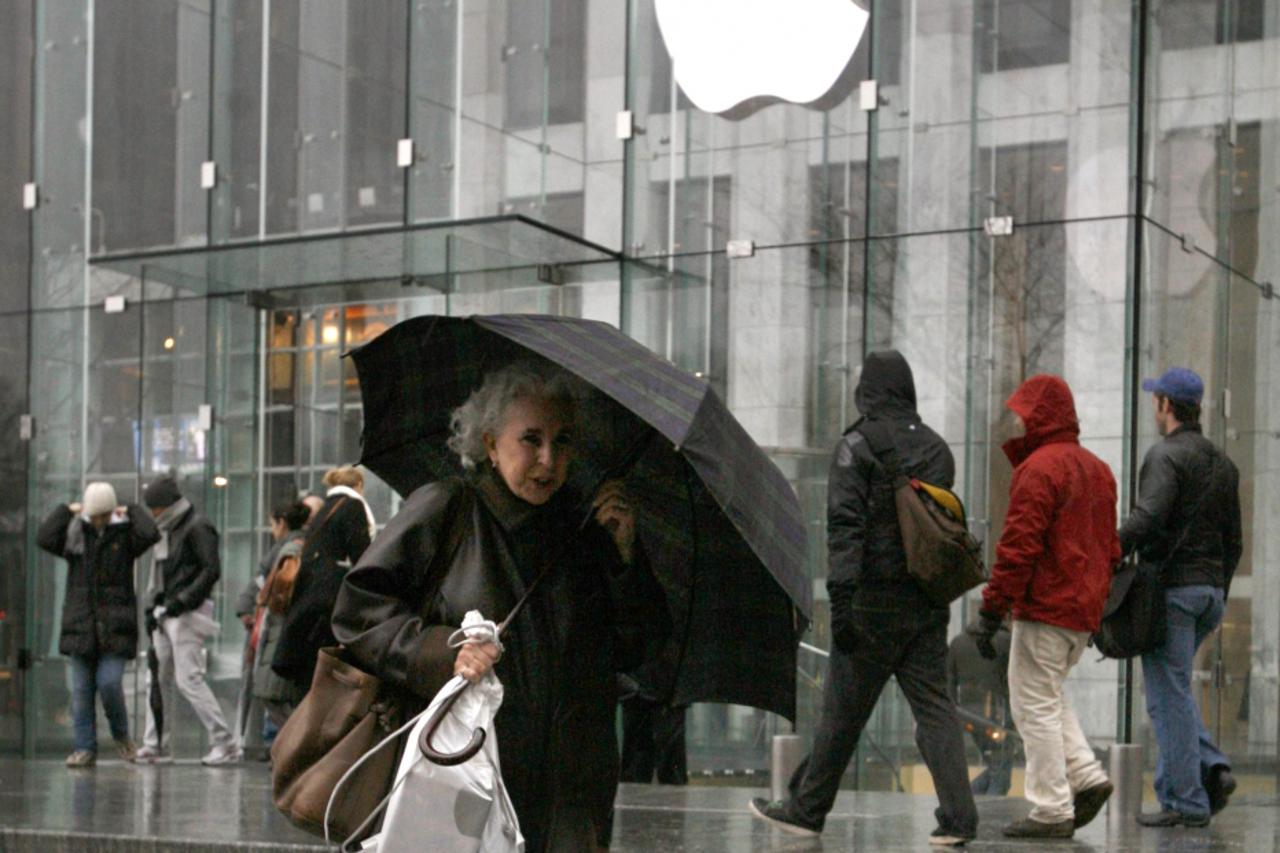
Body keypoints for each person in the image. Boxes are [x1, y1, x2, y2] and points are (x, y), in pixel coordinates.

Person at [331, 361, 669, 852]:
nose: (548, 460)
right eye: (530, 440)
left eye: (563, 440)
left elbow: (638, 649)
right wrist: (442, 652)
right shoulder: (447, 509)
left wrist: (624, 561)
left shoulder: (588, 534)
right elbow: (359, 608)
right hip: (467, 778)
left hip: (574, 797)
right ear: (489, 443)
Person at [749, 350, 979, 847]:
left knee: (843, 713)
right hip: (925, 603)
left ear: (868, 391)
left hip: (872, 603)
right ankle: (959, 819)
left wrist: (842, 601)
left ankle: (807, 809)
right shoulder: (939, 449)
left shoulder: (857, 445)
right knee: (936, 710)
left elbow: (845, 529)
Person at [972, 375, 1118, 839]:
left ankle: (1052, 808)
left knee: (1032, 704)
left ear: (1040, 417)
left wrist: (991, 608)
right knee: (1048, 696)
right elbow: (1109, 549)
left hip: (1047, 607)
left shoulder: (1039, 470)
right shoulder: (1098, 469)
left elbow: (1018, 547)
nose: (1017, 422)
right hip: (1081, 611)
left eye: (1023, 414)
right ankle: (1087, 777)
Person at [1120, 367, 1242, 827]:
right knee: (1176, 691)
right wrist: (1217, 590)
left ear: (1166, 406)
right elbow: (1235, 543)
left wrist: (1109, 550)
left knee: (1166, 697)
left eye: (1156, 400)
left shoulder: (1165, 456)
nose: (1154, 407)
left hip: (1173, 593)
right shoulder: (1223, 464)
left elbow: (1147, 518)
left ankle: (1185, 802)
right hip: (1209, 594)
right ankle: (1210, 765)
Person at [37, 483, 159, 767]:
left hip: (115, 628)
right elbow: (44, 537)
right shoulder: (75, 536)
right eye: (94, 515)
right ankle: (85, 748)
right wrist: (66, 510)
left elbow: (150, 533)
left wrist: (129, 508)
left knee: (109, 683)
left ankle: (121, 735)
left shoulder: (124, 536)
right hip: (81, 627)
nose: (97, 521)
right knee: (81, 692)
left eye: (102, 515)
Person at [134, 476, 240, 766]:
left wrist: (180, 602)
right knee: (158, 679)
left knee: (187, 679)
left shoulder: (195, 527)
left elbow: (210, 570)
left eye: (155, 508)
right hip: (167, 611)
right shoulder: (169, 529)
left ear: (166, 506)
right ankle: (155, 744)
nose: (153, 514)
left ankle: (224, 741)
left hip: (185, 612)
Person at [271, 466, 375, 692]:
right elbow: (362, 555)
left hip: (310, 599)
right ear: (358, 486)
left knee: (309, 674)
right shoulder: (353, 505)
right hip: (331, 600)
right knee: (326, 674)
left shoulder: (325, 509)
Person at [251, 499, 312, 740]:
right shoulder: (303, 544)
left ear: (282, 523)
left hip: (280, 628)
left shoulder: (289, 550)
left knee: (272, 695)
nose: (271, 530)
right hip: (286, 629)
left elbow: (279, 590)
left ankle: (295, 749)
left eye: (272, 524)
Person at [946, 625, 1014, 796]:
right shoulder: (1006, 641)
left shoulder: (957, 642)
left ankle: (965, 800)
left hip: (969, 715)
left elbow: (949, 683)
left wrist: (956, 716)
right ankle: (972, 804)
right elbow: (1015, 679)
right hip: (998, 716)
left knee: (996, 769)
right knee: (1000, 776)